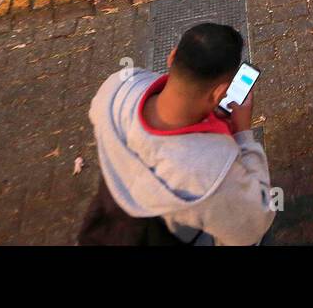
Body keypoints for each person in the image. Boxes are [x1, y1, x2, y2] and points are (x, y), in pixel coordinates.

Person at [87, 22, 275, 246]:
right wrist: (243, 132)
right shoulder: (213, 174)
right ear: (221, 93)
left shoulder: (117, 88)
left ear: (172, 56)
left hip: (108, 222)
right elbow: (252, 227)